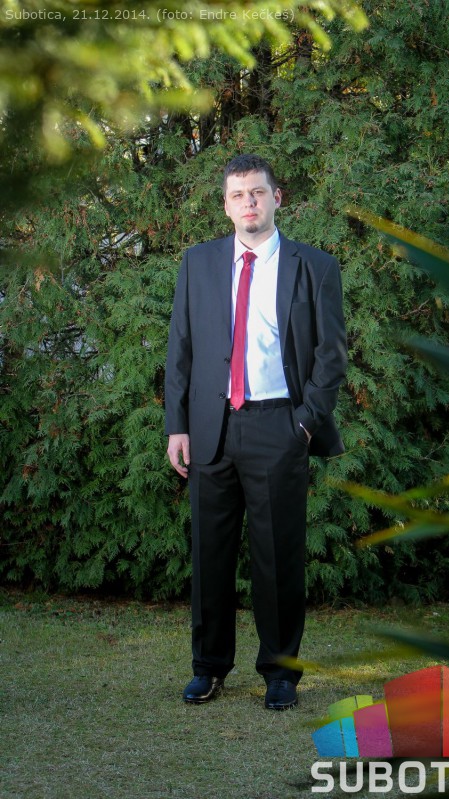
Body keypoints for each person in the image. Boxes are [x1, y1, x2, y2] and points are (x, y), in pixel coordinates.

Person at [165, 154, 347, 710]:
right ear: (225, 205)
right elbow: (181, 348)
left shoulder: (315, 266)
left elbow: (331, 355)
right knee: (210, 556)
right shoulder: (198, 262)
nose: (249, 202)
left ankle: (280, 673)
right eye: (238, 195)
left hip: (279, 426)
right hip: (211, 427)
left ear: (276, 198)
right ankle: (208, 667)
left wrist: (304, 422)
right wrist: (177, 425)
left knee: (278, 556)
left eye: (258, 192)